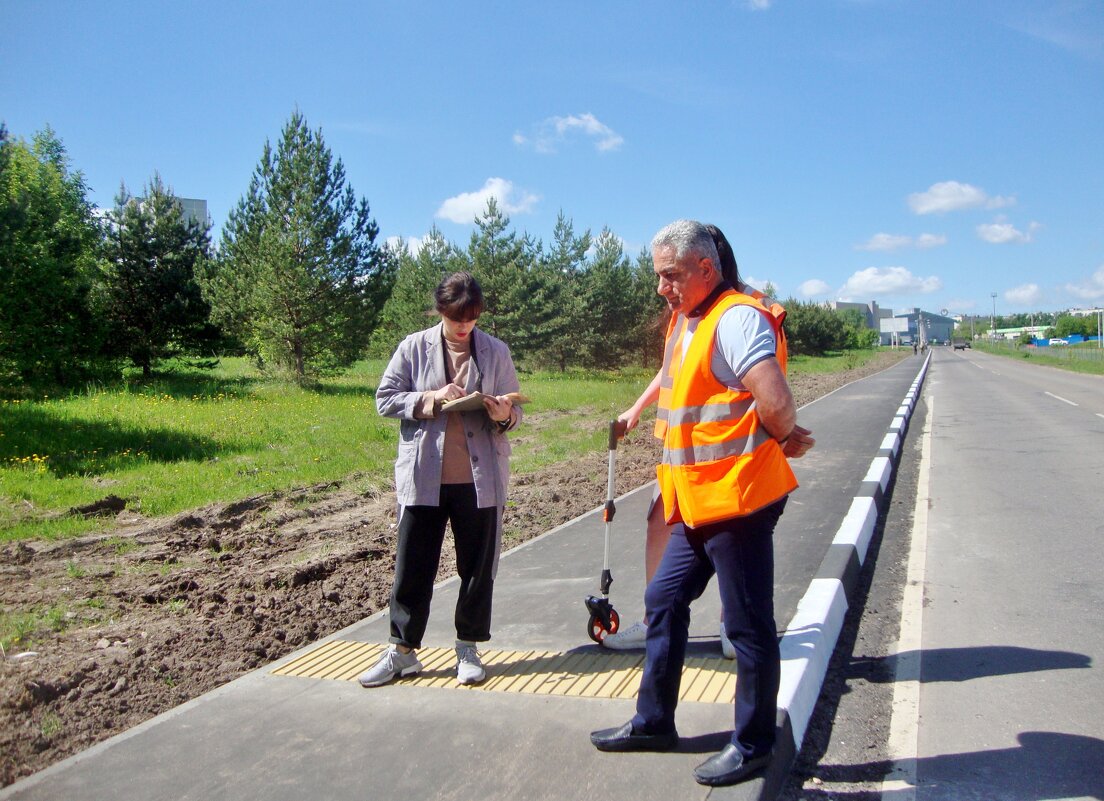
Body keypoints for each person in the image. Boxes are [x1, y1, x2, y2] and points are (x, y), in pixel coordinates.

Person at [590, 220, 814, 787]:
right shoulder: (687, 318)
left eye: (670, 276)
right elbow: (674, 381)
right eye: (659, 276)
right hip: (696, 501)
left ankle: (755, 743)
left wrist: (784, 433)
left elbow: (777, 400)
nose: (662, 287)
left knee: (746, 624)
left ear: (706, 269)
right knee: (664, 599)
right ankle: (654, 721)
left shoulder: (736, 318)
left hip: (737, 498)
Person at [359, 272, 522, 688]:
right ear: (440, 312)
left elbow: (515, 408)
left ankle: (468, 646)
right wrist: (432, 398)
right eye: (455, 319)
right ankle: (402, 652)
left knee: (477, 567)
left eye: (471, 318)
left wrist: (504, 413)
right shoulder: (413, 347)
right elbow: (385, 399)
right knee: (413, 565)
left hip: (480, 478)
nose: (463, 327)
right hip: (423, 476)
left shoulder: (495, 351)